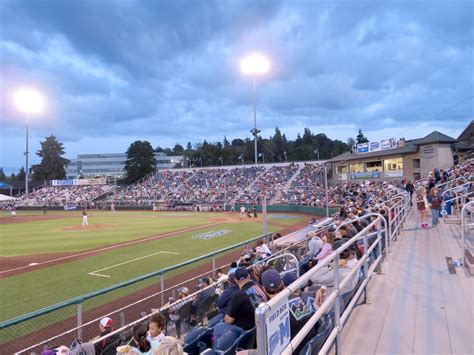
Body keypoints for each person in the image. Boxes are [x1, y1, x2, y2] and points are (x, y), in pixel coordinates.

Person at [213, 267, 267, 350]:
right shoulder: (258, 286)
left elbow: (229, 320)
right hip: (258, 325)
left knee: (218, 327)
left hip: (245, 330)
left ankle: (218, 351)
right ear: (248, 276)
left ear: (236, 280)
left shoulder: (238, 295)